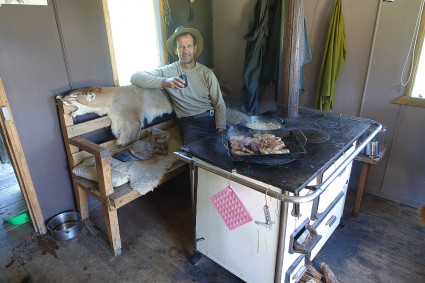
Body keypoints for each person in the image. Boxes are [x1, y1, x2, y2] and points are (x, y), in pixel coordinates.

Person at [131, 26, 227, 145]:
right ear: (175, 49)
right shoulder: (169, 71)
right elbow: (135, 77)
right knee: (196, 157)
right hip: (191, 124)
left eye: (189, 46)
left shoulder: (206, 73)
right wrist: (166, 82)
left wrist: (221, 128)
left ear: (195, 48)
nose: (185, 51)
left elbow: (219, 104)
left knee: (229, 150)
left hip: (211, 119)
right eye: (181, 46)